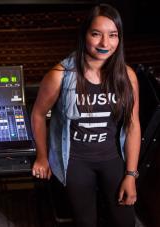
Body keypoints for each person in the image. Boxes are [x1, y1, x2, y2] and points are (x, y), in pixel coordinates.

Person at [30, 3, 141, 227]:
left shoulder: (127, 76)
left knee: (125, 221)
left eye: (113, 35)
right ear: (84, 35)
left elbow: (133, 125)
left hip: (112, 158)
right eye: (96, 34)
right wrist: (42, 157)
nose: (104, 43)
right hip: (75, 161)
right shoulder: (60, 75)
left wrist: (131, 174)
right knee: (85, 221)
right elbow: (38, 114)